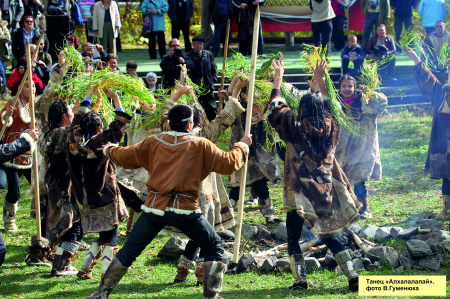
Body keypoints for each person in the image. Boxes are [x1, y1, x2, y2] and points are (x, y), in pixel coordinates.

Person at [85, 103, 251, 299]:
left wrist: (109, 150)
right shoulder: (200, 144)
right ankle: (212, 296)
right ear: (190, 124)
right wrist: (242, 146)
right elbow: (229, 163)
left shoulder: (154, 141)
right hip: (186, 211)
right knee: (214, 246)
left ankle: (102, 293)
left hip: (155, 209)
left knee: (130, 249)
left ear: (169, 123)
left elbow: (125, 155)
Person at [265, 59, 361, 291]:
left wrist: (277, 80)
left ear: (302, 110)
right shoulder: (331, 126)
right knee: (328, 236)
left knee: (293, 236)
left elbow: (273, 109)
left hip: (299, 194)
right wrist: (321, 81)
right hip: (323, 192)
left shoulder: (293, 126)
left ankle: (300, 281)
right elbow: (332, 107)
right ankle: (353, 275)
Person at [169, 77, 247, 286]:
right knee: (207, 236)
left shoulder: (170, 136)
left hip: (184, 191)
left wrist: (177, 96)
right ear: (197, 121)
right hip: (202, 192)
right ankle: (202, 275)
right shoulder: (202, 137)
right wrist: (236, 91)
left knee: (198, 235)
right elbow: (223, 119)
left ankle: (182, 273)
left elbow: (163, 114)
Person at [68, 89, 131, 280]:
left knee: (103, 234)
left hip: (83, 196)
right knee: (111, 234)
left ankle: (85, 268)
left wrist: (89, 93)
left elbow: (79, 115)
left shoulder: (71, 138)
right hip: (103, 195)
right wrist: (115, 97)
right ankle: (107, 274)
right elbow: (119, 127)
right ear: (97, 129)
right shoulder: (98, 143)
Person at [39, 96, 97, 276]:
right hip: (64, 183)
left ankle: (49, 256)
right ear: (65, 116)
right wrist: (88, 99)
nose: (73, 114)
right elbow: (81, 118)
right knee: (74, 223)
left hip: (53, 181)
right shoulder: (64, 132)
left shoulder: (48, 133)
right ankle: (61, 264)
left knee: (63, 221)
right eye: (70, 111)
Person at [227, 84, 282, 224]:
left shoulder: (264, 108)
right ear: (243, 95)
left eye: (256, 93)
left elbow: (275, 99)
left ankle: (269, 215)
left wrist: (277, 79)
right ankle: (226, 217)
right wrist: (235, 84)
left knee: (261, 186)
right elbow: (230, 100)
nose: (253, 96)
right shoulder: (239, 109)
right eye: (248, 93)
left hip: (261, 155)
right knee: (236, 187)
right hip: (242, 151)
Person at [334, 75, 387, 219]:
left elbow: (382, 103)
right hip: (339, 150)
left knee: (358, 182)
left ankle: (364, 209)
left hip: (362, 149)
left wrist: (370, 93)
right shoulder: (334, 103)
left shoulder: (365, 101)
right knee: (339, 181)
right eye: (344, 86)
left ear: (355, 87)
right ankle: (344, 210)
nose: (347, 89)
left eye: (350, 86)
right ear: (339, 88)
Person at [406, 49, 450, 221]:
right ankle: (447, 210)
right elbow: (428, 80)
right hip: (443, 144)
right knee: (447, 178)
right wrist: (418, 61)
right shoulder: (440, 91)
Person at [0, 81, 37, 233]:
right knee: (14, 190)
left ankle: (42, 216)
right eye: (29, 86)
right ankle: (9, 219)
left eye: (34, 86)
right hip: (13, 156)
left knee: (39, 188)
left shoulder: (37, 103)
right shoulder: (13, 104)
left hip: (31, 155)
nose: (33, 88)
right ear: (21, 89)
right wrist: (7, 116)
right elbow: (2, 125)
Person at [0, 128, 39, 266]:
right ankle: (9, 219)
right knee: (14, 192)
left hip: (26, 158)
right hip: (12, 159)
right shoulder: (13, 107)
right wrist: (25, 140)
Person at [185, 36, 218, 121]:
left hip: (208, 88)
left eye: (200, 44)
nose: (199, 46)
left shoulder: (209, 55)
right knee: (195, 111)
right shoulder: (188, 56)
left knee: (212, 111)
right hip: (195, 90)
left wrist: (212, 80)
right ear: (193, 44)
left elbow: (214, 69)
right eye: (197, 44)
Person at [0, 11, 10, 100]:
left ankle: (3, 93)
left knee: (2, 74)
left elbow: (7, 38)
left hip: (2, 54)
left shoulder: (3, 25)